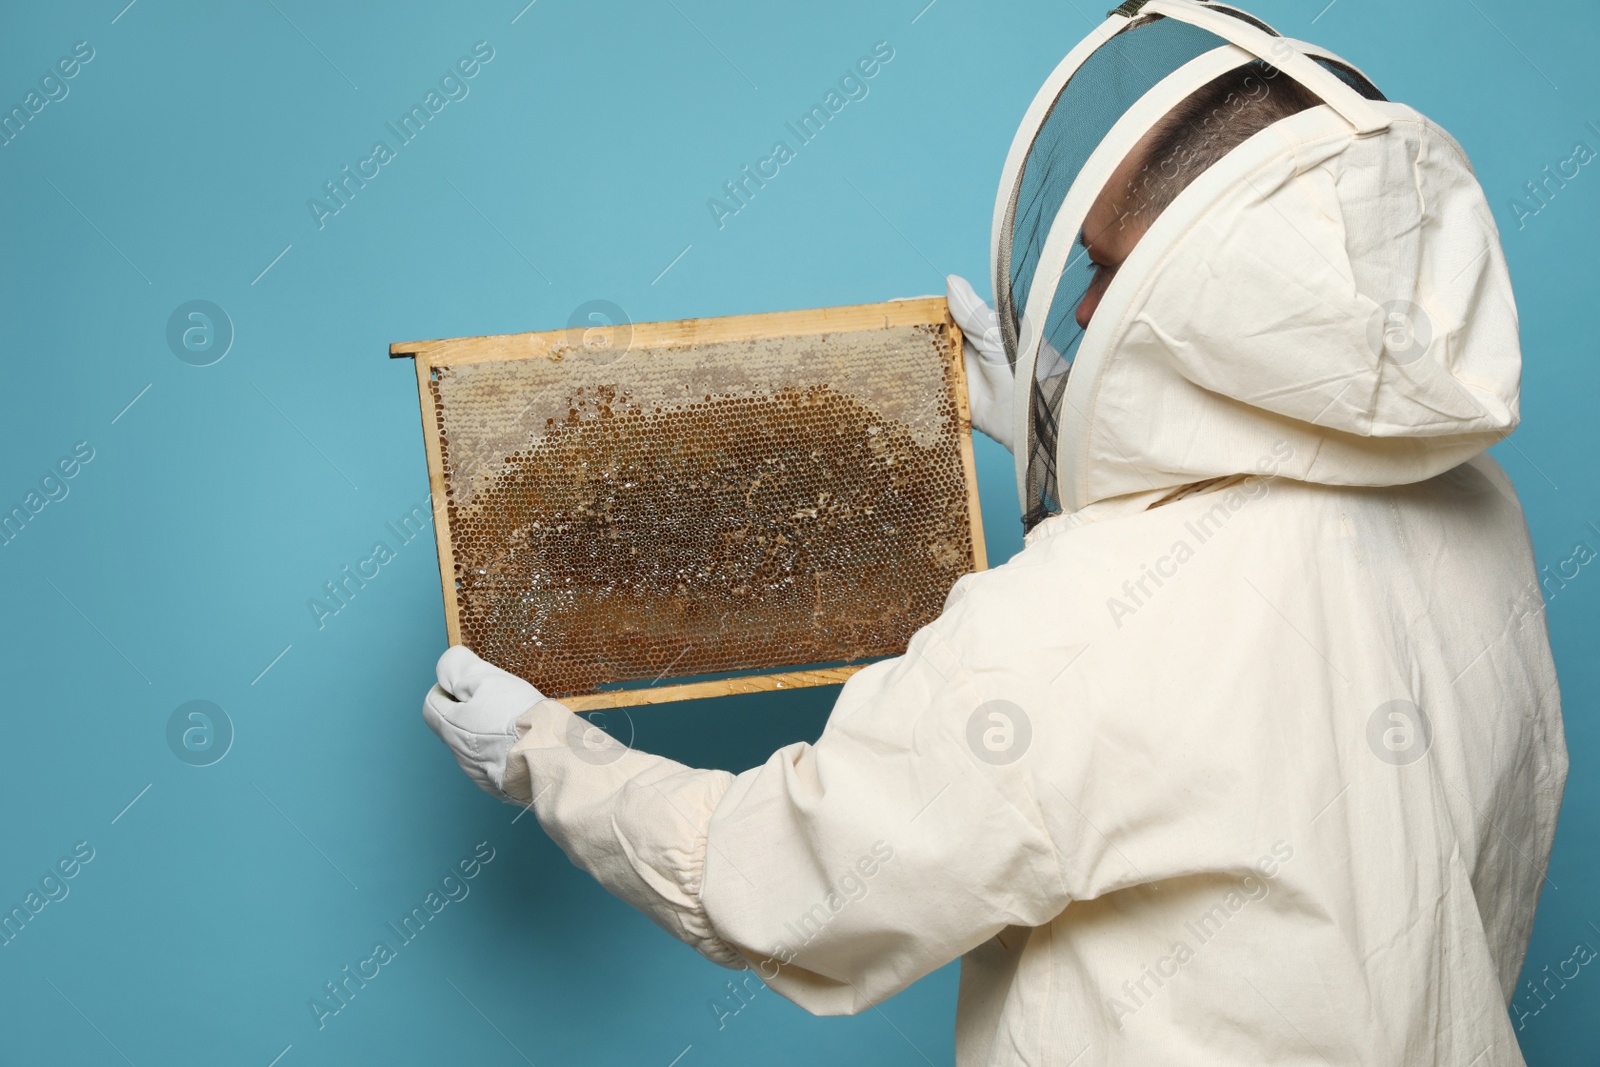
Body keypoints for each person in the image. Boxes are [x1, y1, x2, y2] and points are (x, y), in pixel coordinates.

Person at [423, 2, 1567, 1063]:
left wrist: (550, 757)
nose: (1077, 305)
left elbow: (787, 882)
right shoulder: (1481, 510)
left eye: (1114, 270)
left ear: (1215, 298)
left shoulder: (1073, 626)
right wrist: (1055, 424)